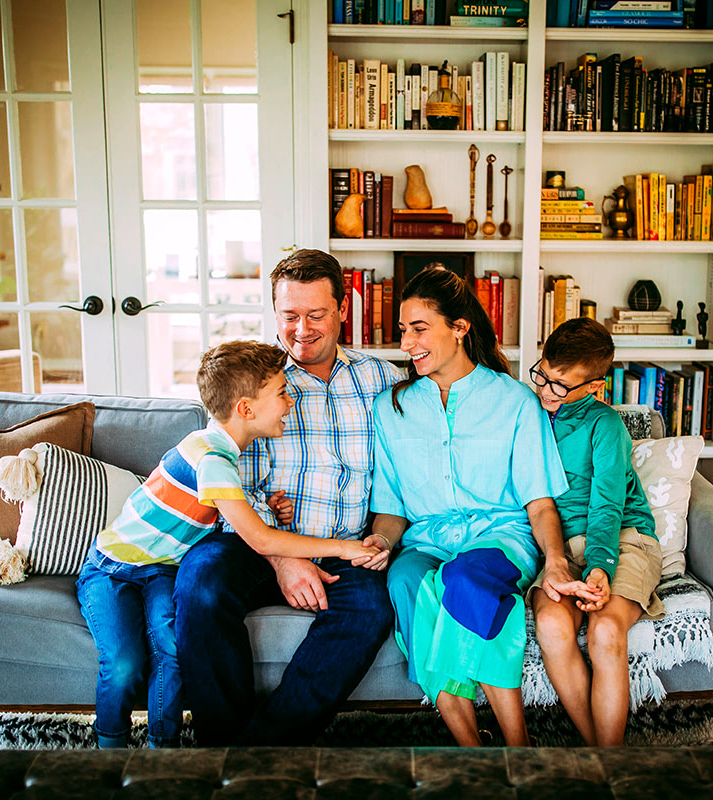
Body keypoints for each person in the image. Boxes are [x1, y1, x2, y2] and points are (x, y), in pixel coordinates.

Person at [76, 341, 378, 749]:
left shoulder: (220, 449)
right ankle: (114, 749)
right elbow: (256, 537)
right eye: (282, 394)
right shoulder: (214, 457)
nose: (291, 403)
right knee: (133, 656)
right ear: (246, 409)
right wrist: (344, 548)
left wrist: (265, 506)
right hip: (115, 567)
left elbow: (230, 504)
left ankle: (177, 747)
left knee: (170, 649)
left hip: (160, 568)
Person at [174, 249, 403, 746]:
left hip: (344, 544)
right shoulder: (254, 382)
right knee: (200, 586)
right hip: (255, 540)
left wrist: (382, 538)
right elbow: (235, 484)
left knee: (371, 611)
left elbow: (397, 482)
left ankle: (262, 748)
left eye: (316, 315)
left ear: (344, 310)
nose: (302, 329)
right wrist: (281, 556)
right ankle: (219, 743)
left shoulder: (382, 381)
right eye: (289, 316)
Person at [369, 267, 590, 747]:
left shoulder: (514, 401)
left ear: (460, 327)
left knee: (465, 579)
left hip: (500, 538)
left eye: (419, 328)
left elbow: (539, 500)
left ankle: (517, 746)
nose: (406, 342)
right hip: (427, 538)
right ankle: (474, 752)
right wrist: (381, 542)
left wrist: (554, 560)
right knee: (405, 581)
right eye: (403, 330)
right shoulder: (391, 408)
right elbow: (391, 506)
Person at [527, 318, 663, 747]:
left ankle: (606, 760)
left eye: (561, 386)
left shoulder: (605, 425)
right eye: (543, 376)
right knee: (552, 626)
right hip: (557, 548)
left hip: (621, 539)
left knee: (605, 632)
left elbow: (607, 505)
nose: (547, 391)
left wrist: (601, 567)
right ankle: (603, 756)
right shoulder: (530, 415)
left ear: (595, 388)